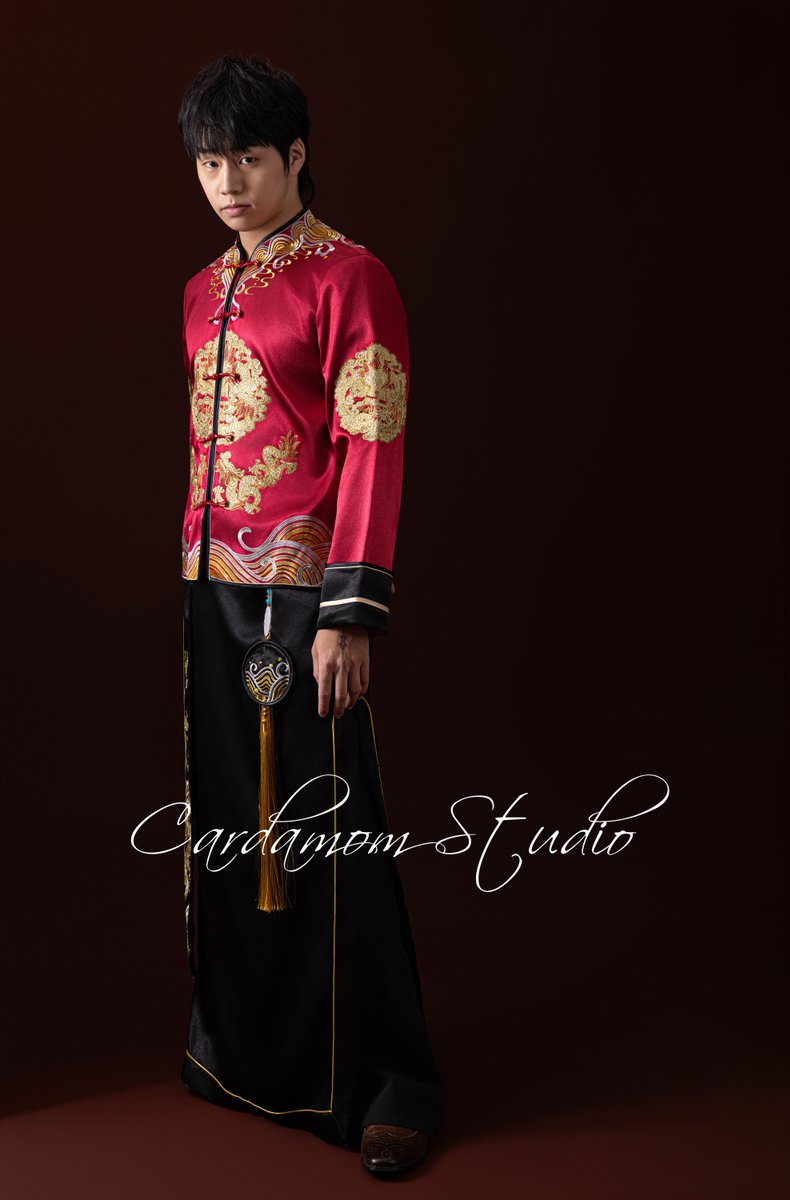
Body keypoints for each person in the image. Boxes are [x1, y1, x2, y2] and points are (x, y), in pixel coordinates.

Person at [175, 54, 444, 1177]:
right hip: (210, 592)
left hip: (306, 595)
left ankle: (386, 1083)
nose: (228, 184)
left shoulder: (351, 278)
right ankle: (246, 1059)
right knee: (232, 829)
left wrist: (350, 611)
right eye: (208, 163)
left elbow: (371, 443)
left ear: (294, 155)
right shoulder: (202, 290)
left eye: (247, 158)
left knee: (329, 829)